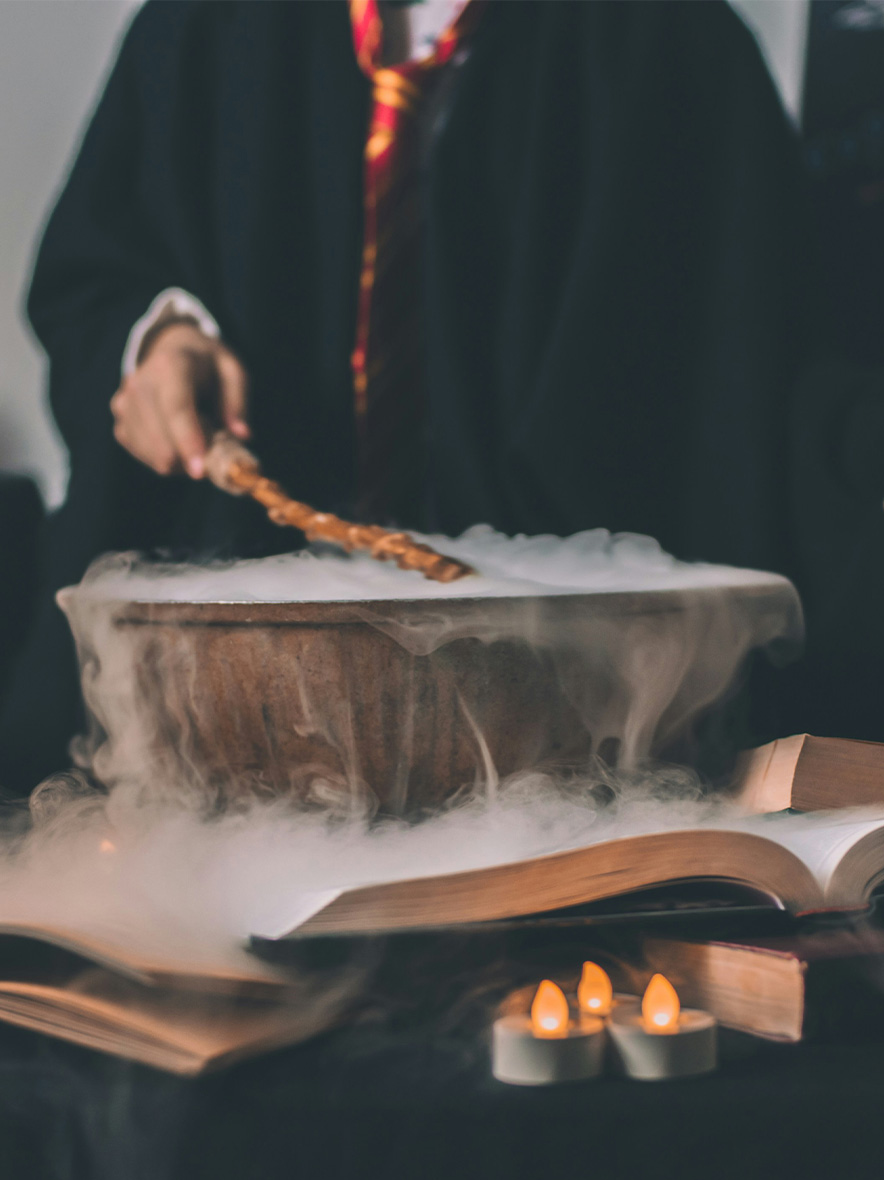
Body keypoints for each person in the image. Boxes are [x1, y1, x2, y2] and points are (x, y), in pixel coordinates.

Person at [0, 0, 810, 792]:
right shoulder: (202, 28)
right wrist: (157, 339)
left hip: (563, 704)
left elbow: (750, 380)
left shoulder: (677, 46)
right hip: (228, 699)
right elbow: (93, 279)